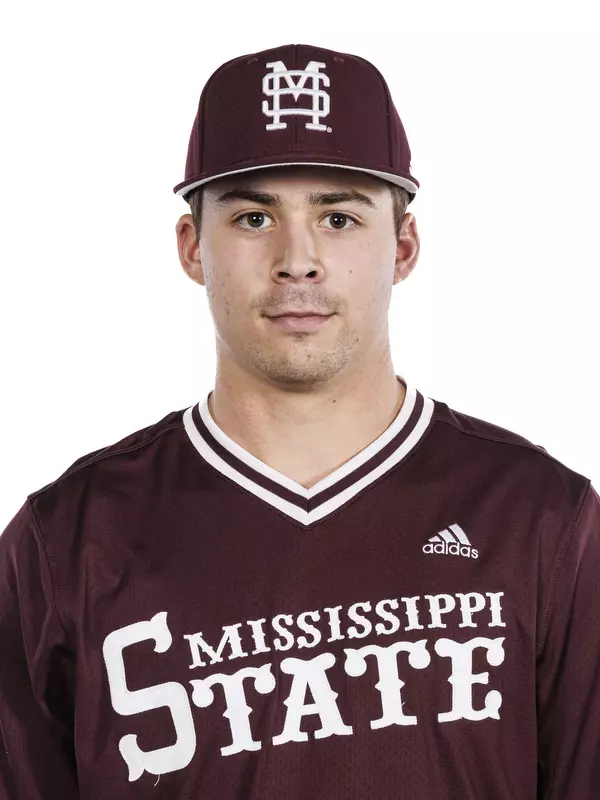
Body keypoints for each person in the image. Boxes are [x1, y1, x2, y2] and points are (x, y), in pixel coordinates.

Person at [0, 42, 598, 800]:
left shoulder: (542, 520)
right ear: (192, 248)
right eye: (254, 216)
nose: (298, 260)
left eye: (340, 217)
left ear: (404, 246)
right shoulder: (66, 542)